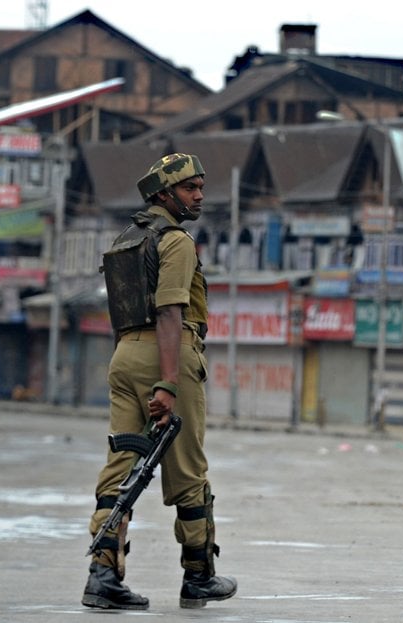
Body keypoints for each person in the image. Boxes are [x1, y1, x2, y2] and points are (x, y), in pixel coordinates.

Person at [82, 153, 237, 610]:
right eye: (191, 189)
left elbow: (123, 311)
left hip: (125, 355)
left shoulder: (126, 240)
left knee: (122, 466)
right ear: (164, 195)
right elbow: (171, 311)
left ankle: (102, 577)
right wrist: (168, 382)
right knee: (187, 470)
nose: (200, 196)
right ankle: (198, 576)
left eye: (201, 187)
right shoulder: (176, 243)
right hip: (166, 355)